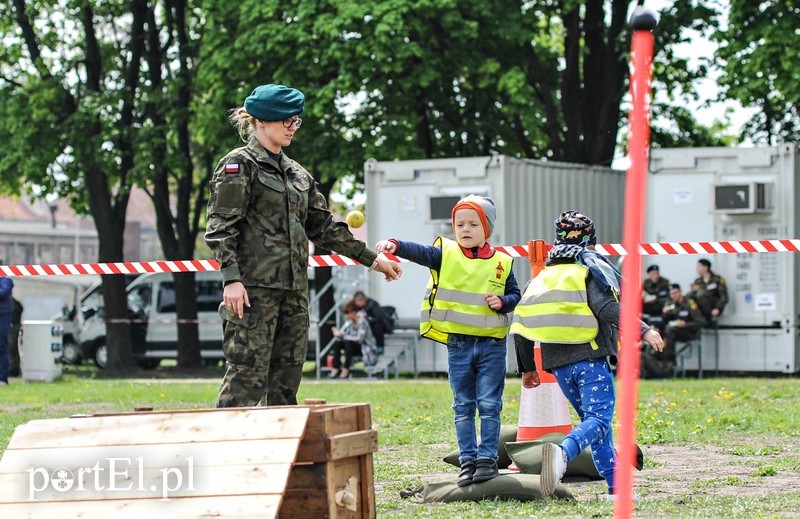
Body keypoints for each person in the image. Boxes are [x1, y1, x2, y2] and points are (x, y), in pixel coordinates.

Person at [205, 84, 402, 408]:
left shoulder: (298, 174)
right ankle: (229, 456)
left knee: (285, 385)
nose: (292, 128)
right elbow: (220, 228)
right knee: (246, 381)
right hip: (254, 292)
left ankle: (277, 458)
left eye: (296, 121)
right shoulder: (239, 165)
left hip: (294, 292)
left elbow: (323, 227)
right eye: (286, 121)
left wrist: (373, 260)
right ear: (261, 121)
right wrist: (232, 279)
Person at [510, 210, 663, 498]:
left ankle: (616, 488)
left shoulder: (542, 278)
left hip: (558, 367)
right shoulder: (588, 271)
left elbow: (522, 323)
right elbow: (607, 309)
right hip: (590, 361)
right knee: (601, 420)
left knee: (596, 426)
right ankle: (562, 454)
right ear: (591, 240)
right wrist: (643, 330)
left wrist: (528, 366)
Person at [376, 194, 521, 486]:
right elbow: (420, 252)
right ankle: (468, 461)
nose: (464, 229)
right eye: (459, 224)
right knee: (464, 405)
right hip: (458, 345)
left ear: (487, 229)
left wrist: (503, 301)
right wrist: (396, 245)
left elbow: (516, 295)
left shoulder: (503, 263)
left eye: (472, 224)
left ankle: (488, 461)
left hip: (492, 346)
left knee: (490, 405)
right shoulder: (446, 254)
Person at [641, 283, 704, 379]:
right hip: (674, 331)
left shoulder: (690, 303)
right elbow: (664, 320)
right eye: (671, 294)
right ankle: (657, 358)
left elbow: (700, 321)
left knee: (669, 330)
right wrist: (665, 313)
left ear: (680, 292)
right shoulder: (670, 303)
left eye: (675, 293)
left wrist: (685, 324)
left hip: (689, 332)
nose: (673, 296)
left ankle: (668, 360)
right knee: (661, 330)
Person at [329, 300, 378, 378]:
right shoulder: (350, 323)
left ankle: (346, 368)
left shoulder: (363, 322)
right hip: (352, 347)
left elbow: (360, 339)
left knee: (348, 343)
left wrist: (344, 336)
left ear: (354, 313)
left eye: (348, 313)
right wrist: (338, 334)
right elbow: (347, 336)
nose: (346, 316)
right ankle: (335, 367)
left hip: (365, 348)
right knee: (338, 343)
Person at [352, 290, 392, 355]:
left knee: (377, 326)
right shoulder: (358, 308)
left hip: (378, 325)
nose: (357, 303)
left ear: (362, 300)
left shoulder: (372, 304)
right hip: (367, 326)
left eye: (358, 301)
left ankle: (380, 346)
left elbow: (379, 317)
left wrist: (368, 320)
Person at [691, 258, 729, 324]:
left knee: (701, 293)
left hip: (714, 305)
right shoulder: (698, 281)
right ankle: (699, 318)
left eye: (699, 266)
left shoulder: (717, 279)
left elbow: (724, 297)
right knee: (689, 296)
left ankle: (708, 318)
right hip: (702, 309)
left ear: (706, 267)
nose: (697, 268)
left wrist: (718, 308)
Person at [0, 274, 13, 386]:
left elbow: (3, 292)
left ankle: (2, 378)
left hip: (2, 315)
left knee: (2, 346)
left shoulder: (6, 278)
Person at [8, 296, 23, 378]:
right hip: (14, 324)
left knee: (11, 347)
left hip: (13, 325)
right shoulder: (13, 302)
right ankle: (14, 369)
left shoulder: (10, 302)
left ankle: (13, 370)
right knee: (12, 348)